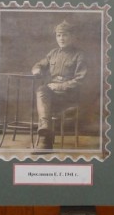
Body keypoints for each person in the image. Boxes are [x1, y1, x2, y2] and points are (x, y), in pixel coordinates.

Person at [31, 20, 87, 150]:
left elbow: (80, 79)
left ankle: (45, 141)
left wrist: (60, 86)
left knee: (44, 98)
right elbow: (39, 64)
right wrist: (37, 69)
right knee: (42, 90)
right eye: (58, 35)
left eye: (65, 35)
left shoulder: (79, 55)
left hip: (69, 95)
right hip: (51, 94)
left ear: (72, 36)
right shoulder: (53, 53)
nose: (61, 38)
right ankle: (45, 131)